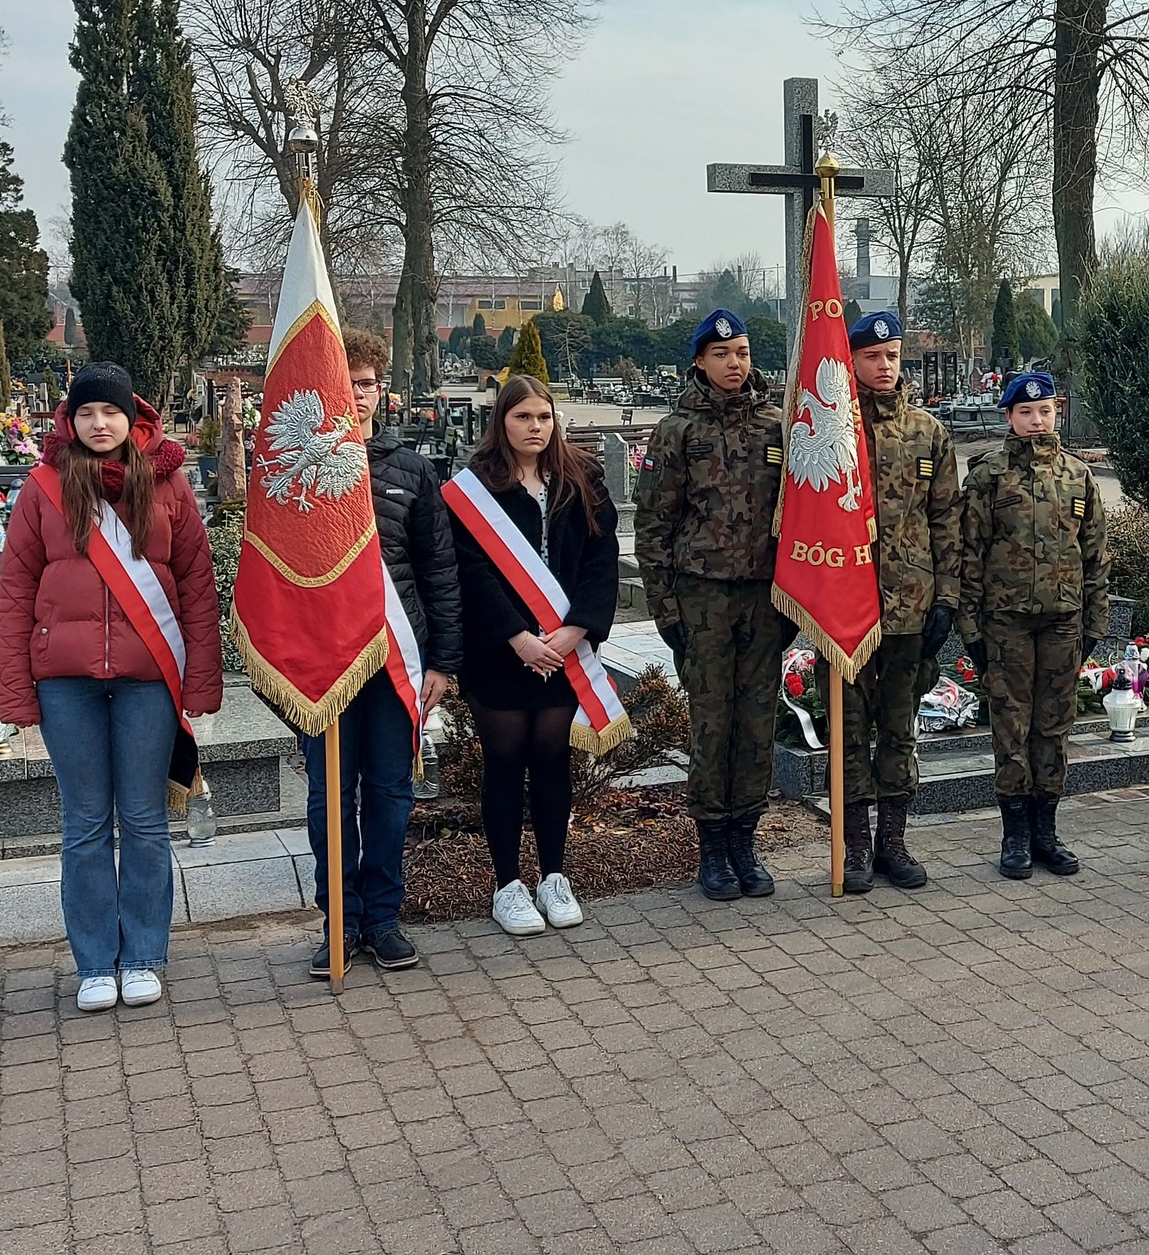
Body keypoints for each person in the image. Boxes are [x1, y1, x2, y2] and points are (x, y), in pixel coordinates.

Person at [0, 363, 223, 1013]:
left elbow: (197, 588)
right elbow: (14, 595)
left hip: (147, 681)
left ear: (133, 418)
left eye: (111, 413)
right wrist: (15, 690)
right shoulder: (42, 489)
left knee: (146, 821)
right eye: (87, 414)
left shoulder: (168, 485)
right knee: (86, 825)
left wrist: (202, 678)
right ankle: (95, 962)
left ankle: (145, 954)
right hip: (66, 683)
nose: (99, 425)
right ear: (71, 420)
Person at [298, 328, 461, 978]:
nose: (356, 395)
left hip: (396, 663)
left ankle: (384, 919)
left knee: (391, 793)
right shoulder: (297, 470)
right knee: (327, 797)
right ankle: (339, 921)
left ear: (379, 390)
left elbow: (438, 572)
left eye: (365, 383)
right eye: (345, 384)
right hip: (324, 666)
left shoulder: (412, 471)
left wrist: (444, 663)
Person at [448, 375, 619, 937]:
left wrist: (578, 629)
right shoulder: (474, 489)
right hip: (502, 652)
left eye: (543, 417)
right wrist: (516, 636)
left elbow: (601, 559)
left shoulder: (582, 480)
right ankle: (507, 885)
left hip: (564, 649)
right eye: (523, 418)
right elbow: (469, 571)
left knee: (551, 758)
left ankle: (553, 875)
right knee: (504, 759)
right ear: (502, 421)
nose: (535, 428)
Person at [635, 309, 787, 901]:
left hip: (763, 598)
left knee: (756, 723)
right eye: (722, 355)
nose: (735, 364)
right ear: (700, 360)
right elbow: (653, 527)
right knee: (712, 724)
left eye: (743, 353)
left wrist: (795, 604)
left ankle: (747, 841)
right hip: (701, 598)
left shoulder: (776, 426)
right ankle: (713, 850)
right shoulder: (677, 432)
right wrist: (666, 612)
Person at [825, 312, 959, 894]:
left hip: (910, 603)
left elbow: (946, 518)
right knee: (850, 728)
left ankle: (893, 841)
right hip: (845, 604)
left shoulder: (927, 432)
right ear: (850, 359)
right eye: (874, 356)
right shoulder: (829, 427)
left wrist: (945, 599)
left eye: (894, 355)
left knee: (898, 727)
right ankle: (854, 845)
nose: (886, 366)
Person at [959, 371, 1109, 879]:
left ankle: (1046, 830)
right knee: (1011, 725)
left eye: (1044, 411)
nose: (1036, 420)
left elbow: (1095, 556)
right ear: (1009, 417)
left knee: (1054, 726)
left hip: (1064, 622)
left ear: (1056, 412)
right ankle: (1015, 836)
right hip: (1007, 625)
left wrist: (1095, 621)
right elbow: (969, 555)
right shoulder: (987, 475)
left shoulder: (1077, 477)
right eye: (1026, 412)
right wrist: (971, 629)